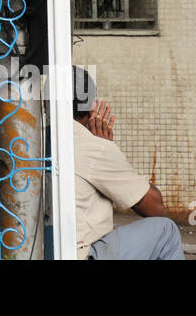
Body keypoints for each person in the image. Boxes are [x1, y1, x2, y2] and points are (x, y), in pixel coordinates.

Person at [70, 67, 183, 260]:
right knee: (166, 230)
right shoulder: (94, 146)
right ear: (92, 107)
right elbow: (154, 207)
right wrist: (107, 147)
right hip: (79, 254)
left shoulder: (30, 139)